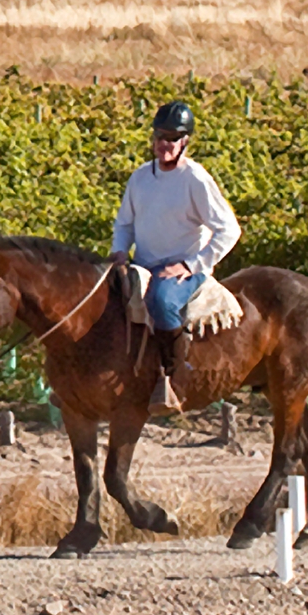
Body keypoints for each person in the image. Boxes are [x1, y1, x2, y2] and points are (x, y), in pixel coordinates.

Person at [111, 99, 240, 414]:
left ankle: (174, 377)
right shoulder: (140, 178)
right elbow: (124, 223)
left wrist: (191, 264)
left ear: (184, 142)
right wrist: (118, 251)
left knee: (162, 301)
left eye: (171, 138)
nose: (164, 145)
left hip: (182, 268)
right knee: (107, 297)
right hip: (144, 262)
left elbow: (229, 229)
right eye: (159, 137)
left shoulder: (195, 179)